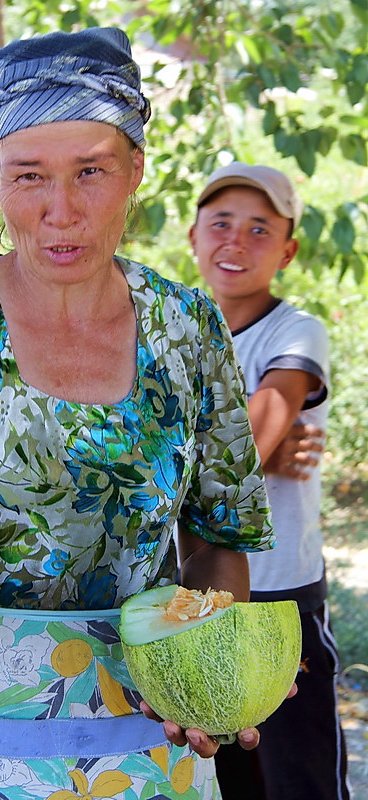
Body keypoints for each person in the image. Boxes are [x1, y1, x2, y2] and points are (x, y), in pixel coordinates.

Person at [0, 28, 280, 800]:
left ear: (135, 169)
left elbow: (216, 547)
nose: (61, 210)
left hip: (148, 751)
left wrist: (210, 669)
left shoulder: (187, 327)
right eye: (29, 176)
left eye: (91, 172)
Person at [190, 162, 350, 800]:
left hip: (283, 597)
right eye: (221, 223)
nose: (236, 241)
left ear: (288, 250)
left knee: (299, 777)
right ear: (193, 236)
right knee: (221, 774)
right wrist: (252, 458)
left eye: (260, 229)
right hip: (200, 594)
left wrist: (248, 451)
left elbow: (250, 438)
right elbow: (247, 450)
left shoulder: (295, 331)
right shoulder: (170, 328)